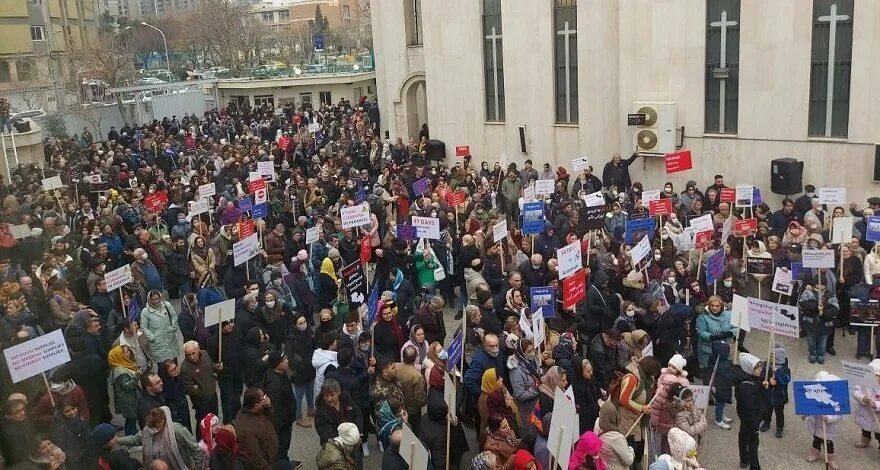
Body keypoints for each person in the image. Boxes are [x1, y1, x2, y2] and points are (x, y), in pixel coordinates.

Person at [118, 406, 204, 469]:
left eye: (155, 427)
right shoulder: (147, 431)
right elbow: (135, 440)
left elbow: (195, 450)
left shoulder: (178, 431)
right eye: (150, 428)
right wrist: (117, 440)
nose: (151, 431)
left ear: (162, 422)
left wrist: (198, 467)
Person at [262, 351, 302, 469]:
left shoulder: (279, 374)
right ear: (277, 364)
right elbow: (277, 411)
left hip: (284, 421)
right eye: (284, 360)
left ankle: (284, 461)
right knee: (281, 447)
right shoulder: (275, 385)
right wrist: (286, 421)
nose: (287, 361)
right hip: (281, 425)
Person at [732, 353, 769, 470]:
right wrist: (755, 426)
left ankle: (744, 459)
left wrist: (762, 386)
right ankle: (755, 466)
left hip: (746, 418)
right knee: (753, 443)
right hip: (752, 419)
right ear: (749, 369)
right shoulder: (747, 388)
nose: (760, 370)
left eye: (760, 366)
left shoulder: (748, 379)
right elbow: (750, 407)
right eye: (756, 367)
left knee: (743, 438)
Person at [804, 371, 844, 468]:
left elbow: (839, 415)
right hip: (816, 426)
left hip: (829, 429)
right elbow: (809, 407)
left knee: (829, 445)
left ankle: (830, 459)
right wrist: (806, 414)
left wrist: (828, 418)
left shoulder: (837, 401)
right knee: (816, 441)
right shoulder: (815, 398)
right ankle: (815, 454)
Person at [234, 387, 279, 470]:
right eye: (263, 398)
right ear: (256, 405)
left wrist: (268, 407)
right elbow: (255, 459)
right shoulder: (247, 431)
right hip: (267, 465)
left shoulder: (255, 410)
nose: (266, 399)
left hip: (272, 459)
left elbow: (272, 420)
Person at [179, 340, 220, 433]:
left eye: (193, 353)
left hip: (213, 395)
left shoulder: (205, 354)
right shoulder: (185, 368)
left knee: (214, 418)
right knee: (202, 423)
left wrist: (216, 367)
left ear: (198, 349)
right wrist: (202, 393)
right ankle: (201, 442)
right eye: (188, 355)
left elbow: (211, 366)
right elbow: (189, 388)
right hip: (201, 402)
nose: (192, 357)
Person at [140, 290, 181, 363]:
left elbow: (173, 316)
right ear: (149, 300)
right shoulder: (145, 312)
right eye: (153, 299)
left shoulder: (167, 305)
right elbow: (143, 327)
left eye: (157, 298)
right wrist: (151, 336)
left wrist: (173, 327)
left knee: (174, 363)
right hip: (157, 343)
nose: (156, 301)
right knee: (163, 365)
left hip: (170, 338)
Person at [107, 345, 140, 435]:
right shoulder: (120, 372)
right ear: (119, 356)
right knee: (131, 421)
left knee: (130, 420)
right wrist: (136, 376)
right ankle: (131, 439)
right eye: (126, 352)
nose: (129, 353)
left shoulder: (123, 366)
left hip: (129, 400)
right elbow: (128, 386)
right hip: (128, 401)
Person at [395, 345, 428, 431]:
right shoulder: (416, 376)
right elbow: (419, 397)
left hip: (397, 407)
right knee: (415, 431)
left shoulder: (395, 367)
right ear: (415, 358)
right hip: (412, 411)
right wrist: (424, 403)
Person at [853, 358, 880, 450]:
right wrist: (863, 398)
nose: (877, 378)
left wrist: (876, 404)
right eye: (875, 375)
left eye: (879, 376)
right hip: (865, 413)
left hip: (878, 416)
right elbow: (856, 392)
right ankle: (865, 441)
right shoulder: (863, 383)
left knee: (878, 432)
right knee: (865, 428)